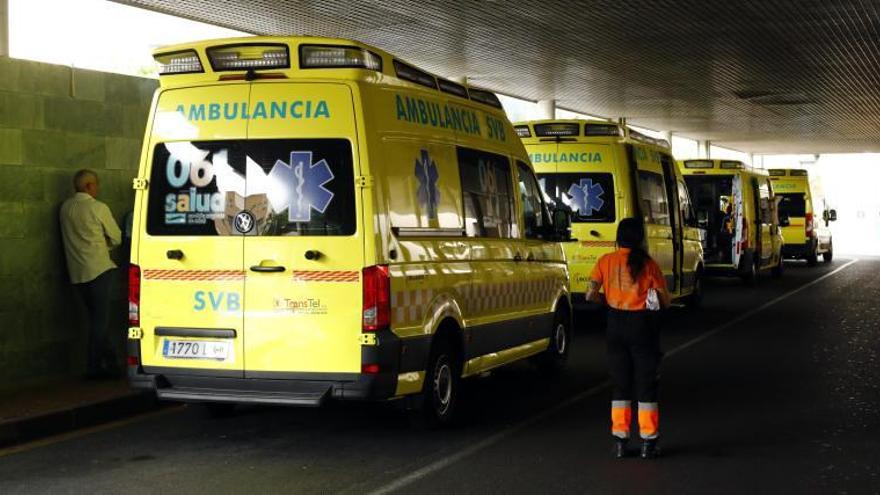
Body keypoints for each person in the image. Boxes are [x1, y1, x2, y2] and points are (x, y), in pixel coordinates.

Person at [586, 218, 671, 459]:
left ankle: (620, 441)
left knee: (620, 384)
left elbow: (590, 294)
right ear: (640, 239)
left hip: (615, 325)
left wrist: (608, 301)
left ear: (618, 237)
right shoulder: (649, 265)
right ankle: (648, 442)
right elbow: (665, 301)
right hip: (642, 327)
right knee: (646, 385)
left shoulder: (605, 261)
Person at [60, 169, 123, 379]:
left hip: (77, 273)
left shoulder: (65, 208)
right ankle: (93, 367)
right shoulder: (98, 207)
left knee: (96, 320)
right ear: (89, 186)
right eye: (96, 184)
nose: (98, 188)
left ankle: (113, 363)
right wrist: (104, 245)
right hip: (99, 269)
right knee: (100, 322)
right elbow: (116, 237)